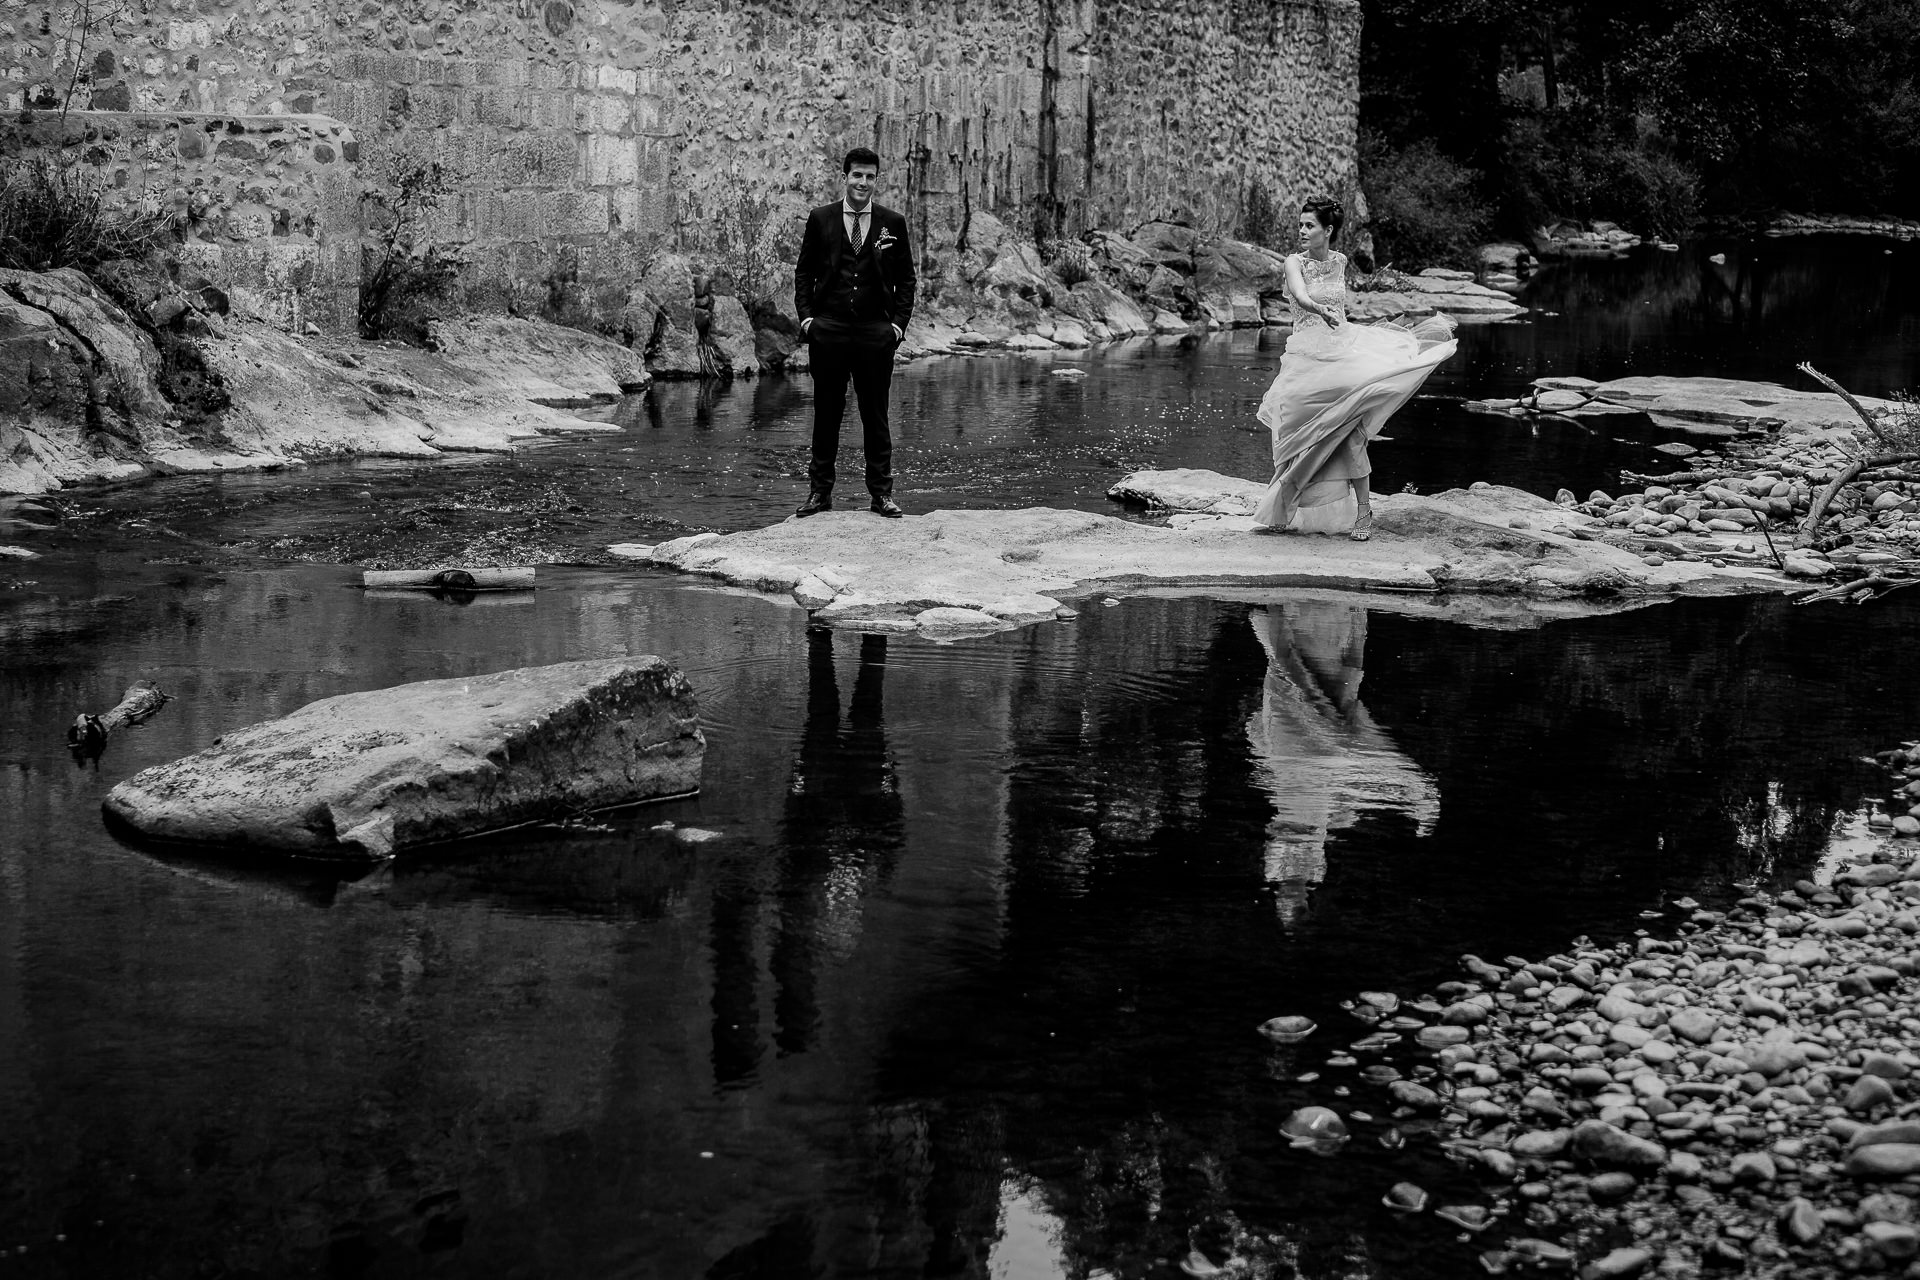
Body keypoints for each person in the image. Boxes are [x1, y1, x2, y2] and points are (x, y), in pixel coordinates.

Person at [1250, 196, 1457, 540]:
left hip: (1342, 353)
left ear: (1327, 230)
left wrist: (1342, 327)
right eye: (1300, 225)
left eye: (1309, 225)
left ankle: (1364, 511)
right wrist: (1319, 308)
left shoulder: (1340, 261)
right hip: (1305, 359)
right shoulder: (1293, 263)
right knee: (1294, 435)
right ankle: (1284, 508)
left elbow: (1341, 310)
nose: (1302, 231)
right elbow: (1301, 296)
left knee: (1352, 432)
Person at [791, 147, 917, 519]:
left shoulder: (892, 223)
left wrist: (896, 326)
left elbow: (907, 279)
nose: (863, 182)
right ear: (844, 177)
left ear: (877, 180)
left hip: (875, 332)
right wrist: (807, 320)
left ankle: (881, 495)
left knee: (875, 414)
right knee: (826, 413)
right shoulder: (821, 219)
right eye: (857, 175)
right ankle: (820, 493)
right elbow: (804, 272)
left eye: (870, 176)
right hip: (828, 330)